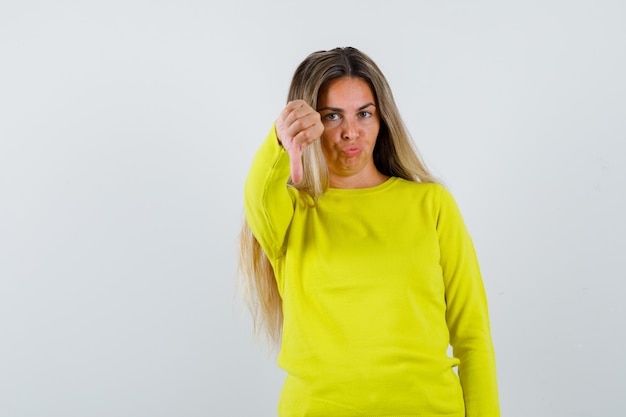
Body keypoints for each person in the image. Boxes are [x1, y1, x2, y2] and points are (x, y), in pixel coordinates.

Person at [239, 46, 500, 417]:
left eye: (364, 113)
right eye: (332, 116)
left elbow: (472, 338)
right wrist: (280, 141)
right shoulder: (291, 213)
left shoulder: (432, 204)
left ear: (382, 120)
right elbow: (259, 196)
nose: (350, 132)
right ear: (310, 127)